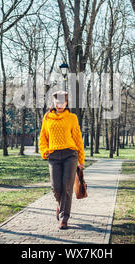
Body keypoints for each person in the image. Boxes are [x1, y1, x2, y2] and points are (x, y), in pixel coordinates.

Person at [39, 90, 85, 229]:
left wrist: (81, 159)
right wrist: (44, 151)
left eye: (63, 102)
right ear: (53, 102)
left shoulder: (72, 118)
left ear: (66, 103)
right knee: (56, 187)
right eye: (57, 102)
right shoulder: (47, 118)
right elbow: (43, 137)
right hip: (53, 156)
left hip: (70, 155)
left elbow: (78, 139)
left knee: (67, 187)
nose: (60, 104)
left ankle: (64, 218)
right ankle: (60, 205)